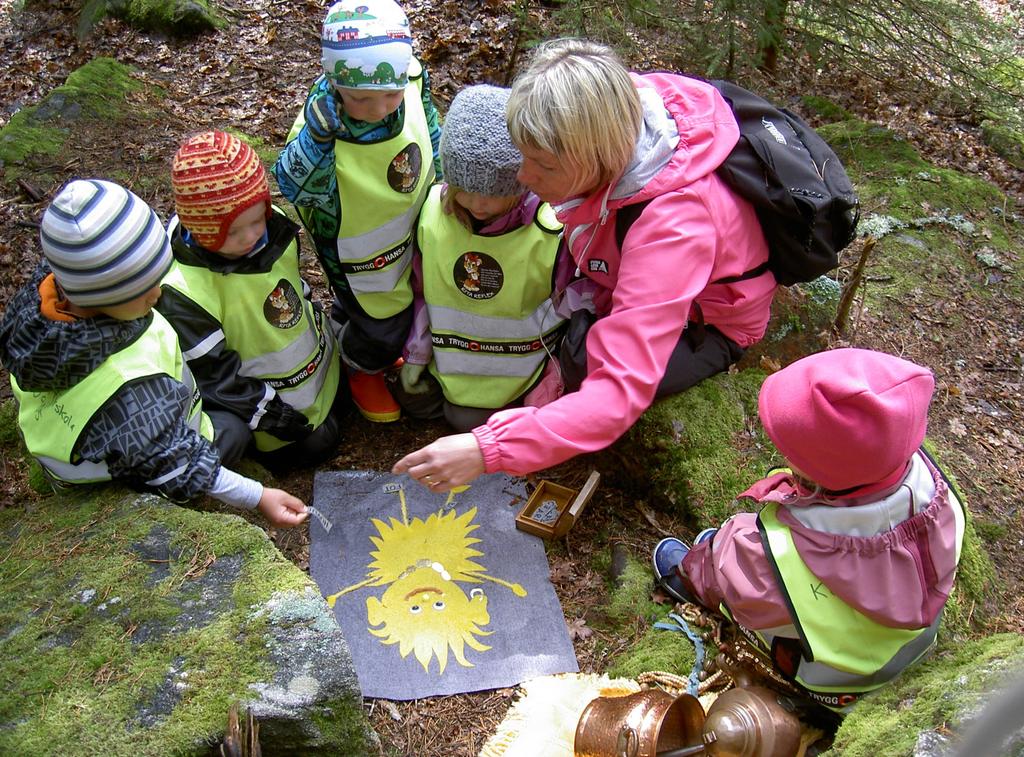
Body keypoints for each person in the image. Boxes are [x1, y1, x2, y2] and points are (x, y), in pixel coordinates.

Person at [393, 38, 776, 492]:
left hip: (705, 320)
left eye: (542, 166)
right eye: (523, 156)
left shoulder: (672, 229)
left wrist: (487, 449)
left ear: (597, 159)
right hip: (614, 277)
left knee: (581, 360)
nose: (523, 179)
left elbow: (617, 393)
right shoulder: (601, 107)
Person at [651, 348, 966, 713]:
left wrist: (714, 558)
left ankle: (687, 575)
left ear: (821, 472)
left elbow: (746, 589)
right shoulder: (934, 493)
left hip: (835, 682)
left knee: (729, 557)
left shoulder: (778, 556)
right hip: (906, 644)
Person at [0, 179, 308, 528]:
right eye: (145, 289)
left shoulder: (46, 299)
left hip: (75, 441)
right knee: (233, 432)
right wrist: (258, 496)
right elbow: (177, 461)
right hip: (117, 470)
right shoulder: (129, 390)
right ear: (105, 296)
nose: (159, 293)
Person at [274, 0, 443, 423]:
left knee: (395, 305)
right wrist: (317, 140)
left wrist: (442, 173)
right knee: (384, 321)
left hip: (409, 230)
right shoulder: (323, 123)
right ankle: (360, 363)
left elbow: (430, 125)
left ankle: (359, 334)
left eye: (390, 93)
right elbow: (294, 185)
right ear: (335, 84)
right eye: (361, 99)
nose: (381, 108)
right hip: (357, 253)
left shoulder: (412, 79)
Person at [394, 84, 591, 432]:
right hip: (454, 370)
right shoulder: (431, 218)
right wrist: (416, 355)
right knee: (415, 400)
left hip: (524, 374)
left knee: (464, 420)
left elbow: (575, 308)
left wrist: (555, 376)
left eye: (495, 195)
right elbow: (423, 294)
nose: (479, 205)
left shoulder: (551, 228)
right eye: (466, 191)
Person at [158, 130, 345, 469]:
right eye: (232, 231)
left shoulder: (276, 228)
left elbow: (295, 290)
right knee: (318, 445)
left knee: (336, 419)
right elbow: (215, 377)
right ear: (200, 228)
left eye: (258, 219)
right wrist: (270, 416)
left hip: (318, 375)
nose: (251, 236)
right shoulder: (186, 290)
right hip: (268, 414)